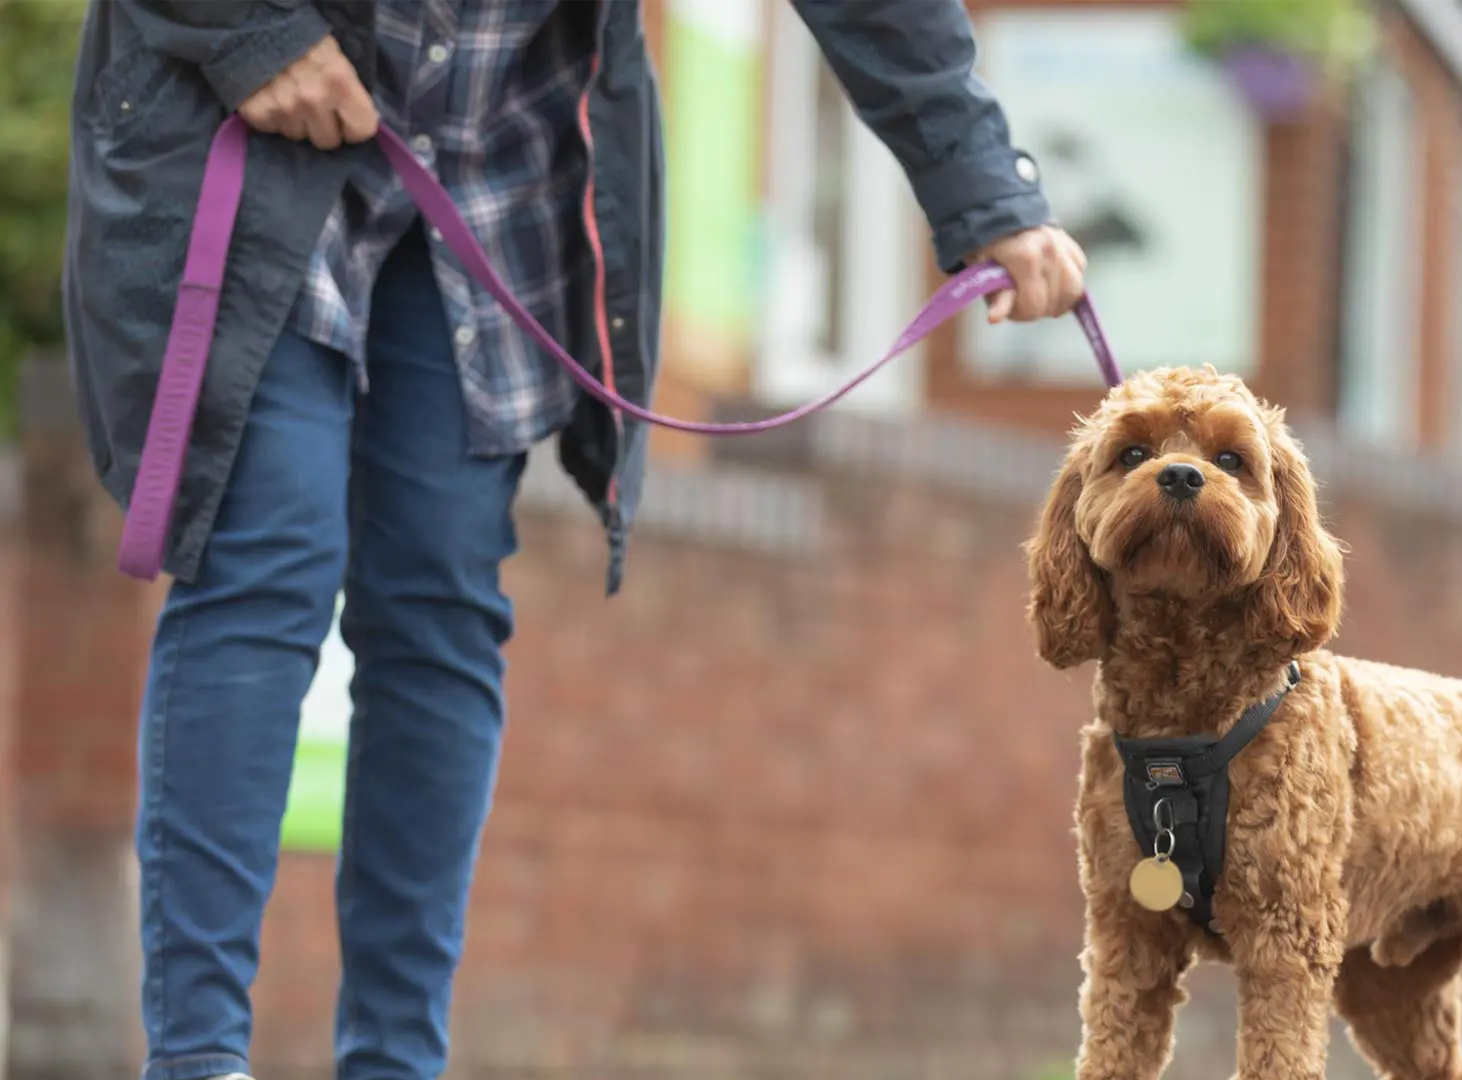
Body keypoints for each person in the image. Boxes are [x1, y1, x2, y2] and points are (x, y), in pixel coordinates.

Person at [63, 3, 1088, 1078]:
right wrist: (246, 29)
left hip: (490, 160)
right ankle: (197, 1060)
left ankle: (398, 1063)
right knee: (266, 555)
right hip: (258, 122)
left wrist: (987, 193)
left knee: (439, 605)